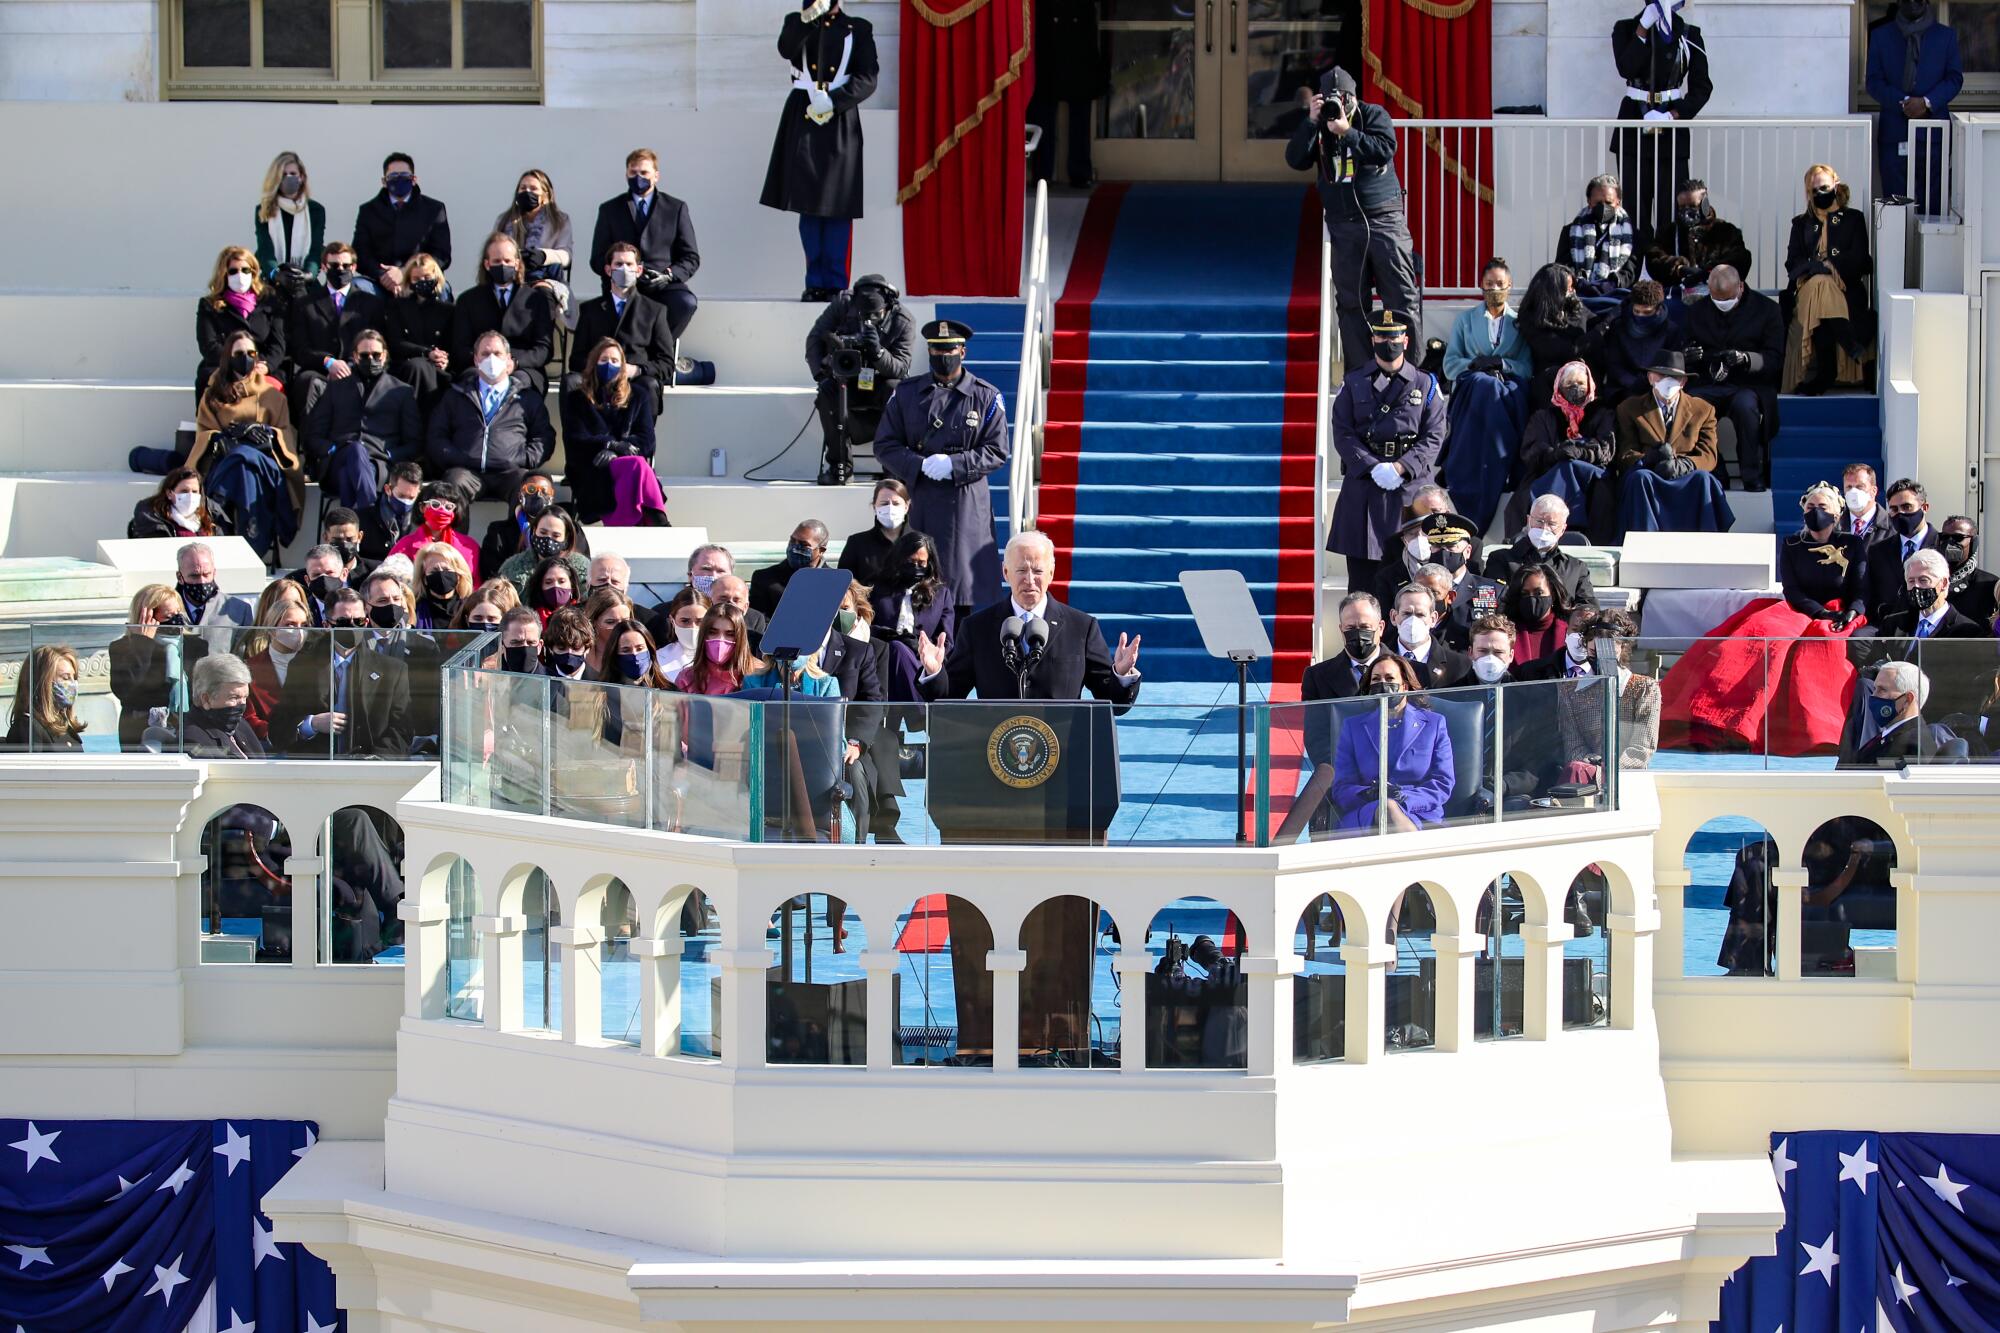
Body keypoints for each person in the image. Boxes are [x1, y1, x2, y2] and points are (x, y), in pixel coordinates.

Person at [1655, 483, 1867, 756]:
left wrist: (1854, 610)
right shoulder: (1792, 544)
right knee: (1759, 634)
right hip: (1800, 608)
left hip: (1841, 611)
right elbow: (1791, 589)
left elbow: (1861, 587)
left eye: (1822, 508)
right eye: (1811, 507)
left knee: (1823, 644)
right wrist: (1818, 612)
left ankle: (1818, 731)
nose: (1816, 513)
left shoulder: (1853, 544)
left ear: (1836, 514)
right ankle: (1719, 720)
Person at [1285, 66, 1421, 373]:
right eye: (1331, 99)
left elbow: (1385, 150)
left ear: (1354, 97)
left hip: (1384, 219)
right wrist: (1311, 122)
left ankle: (1411, 375)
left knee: (1401, 298)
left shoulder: (1373, 116)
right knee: (1351, 305)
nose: (1338, 105)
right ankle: (1361, 378)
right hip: (1344, 224)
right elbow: (1295, 159)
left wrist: (1347, 131)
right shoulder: (1317, 125)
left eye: (1343, 98)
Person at [874, 319, 1010, 617]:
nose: (942, 356)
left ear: (963, 351)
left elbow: (997, 450)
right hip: (921, 499)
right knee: (917, 580)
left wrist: (955, 464)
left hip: (965, 503)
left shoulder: (985, 396)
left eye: (949, 349)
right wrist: (917, 464)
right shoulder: (907, 394)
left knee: (961, 591)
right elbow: (884, 444)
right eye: (936, 351)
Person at [914, 530, 1141, 705]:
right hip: (996, 750)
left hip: (1063, 750)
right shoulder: (977, 628)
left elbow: (1113, 700)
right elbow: (948, 696)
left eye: (1038, 571)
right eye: (1021, 570)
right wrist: (934, 673)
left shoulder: (1081, 627)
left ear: (1051, 573)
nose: (1030, 580)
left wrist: (1121, 675)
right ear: (1006, 573)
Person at [763, 0, 880, 301]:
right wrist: (808, 20)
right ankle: (815, 281)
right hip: (803, 116)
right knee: (808, 204)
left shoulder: (858, 28)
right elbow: (786, 48)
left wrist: (836, 100)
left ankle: (837, 284)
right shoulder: (796, 22)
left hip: (839, 117)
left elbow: (867, 77)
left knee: (838, 205)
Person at [1326, 310, 1446, 597]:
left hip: (1410, 489)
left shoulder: (1425, 384)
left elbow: (1435, 435)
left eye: (1393, 337)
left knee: (1414, 583)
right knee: (1363, 584)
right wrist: (1371, 466)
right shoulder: (1354, 382)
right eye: (1382, 336)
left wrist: (1402, 467)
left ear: (1405, 340)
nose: (1388, 342)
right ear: (1373, 339)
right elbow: (1342, 431)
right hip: (1365, 486)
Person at [1610, 1, 1712, 250]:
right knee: (1635, 208)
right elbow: (1626, 68)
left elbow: (1702, 87)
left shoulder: (1688, 34)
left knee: (1671, 206)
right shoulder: (1626, 29)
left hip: (1671, 129)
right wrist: (1643, 29)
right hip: (1635, 123)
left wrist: (1674, 116)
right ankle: (1637, 272)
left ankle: (1668, 268)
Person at [1441, 258, 1532, 535]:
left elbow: (1528, 367)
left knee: (1494, 387)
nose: (1495, 289)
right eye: (1489, 284)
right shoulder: (1465, 321)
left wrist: (1503, 364)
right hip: (1474, 391)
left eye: (1500, 284)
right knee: (1482, 384)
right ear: (1482, 285)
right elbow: (1449, 364)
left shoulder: (1521, 324)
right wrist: (1474, 364)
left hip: (1506, 392)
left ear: (1510, 286)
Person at [269, 586, 411, 758]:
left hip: (372, 774)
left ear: (366, 622)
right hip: (318, 769)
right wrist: (311, 724)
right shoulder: (302, 666)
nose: (352, 627)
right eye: (343, 622)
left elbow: (402, 729)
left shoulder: (392, 670)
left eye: (358, 621)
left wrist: (376, 760)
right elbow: (279, 726)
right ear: (327, 625)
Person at [807, 274, 917, 485]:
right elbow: (815, 337)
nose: (868, 320)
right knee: (827, 392)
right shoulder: (842, 304)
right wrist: (822, 371)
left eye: (875, 315)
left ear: (888, 305)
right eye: (863, 314)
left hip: (882, 380)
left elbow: (901, 368)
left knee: (897, 390)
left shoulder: (903, 321)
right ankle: (841, 467)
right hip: (847, 377)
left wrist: (877, 353)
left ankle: (893, 470)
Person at [1682, 265, 1785, 491]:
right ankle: (1715, 472)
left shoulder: (1766, 310)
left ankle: (1751, 474)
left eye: (1727, 299)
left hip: (1748, 384)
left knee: (1745, 407)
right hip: (1709, 382)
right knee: (1691, 405)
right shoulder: (1697, 311)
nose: (1722, 304)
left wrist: (1746, 358)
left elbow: (1774, 358)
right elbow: (1684, 347)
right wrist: (1689, 355)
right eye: (1717, 299)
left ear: (1740, 287)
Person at [185, 329, 303, 517]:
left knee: (243, 457)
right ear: (228, 358)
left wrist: (264, 431)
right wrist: (227, 436)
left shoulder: (273, 396)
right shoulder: (212, 395)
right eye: (239, 354)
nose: (246, 358)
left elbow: (286, 434)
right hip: (224, 462)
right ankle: (252, 527)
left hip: (264, 465)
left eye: (251, 354)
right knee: (240, 461)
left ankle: (220, 513)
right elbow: (204, 433)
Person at [1332, 654, 1454, 833]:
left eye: (1389, 678)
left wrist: (1404, 798)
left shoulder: (1434, 724)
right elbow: (1342, 787)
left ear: (1405, 684)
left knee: (1390, 807)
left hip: (1419, 811)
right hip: (1367, 811)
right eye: (1376, 679)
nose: (1382, 683)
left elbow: (1443, 782)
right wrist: (1367, 794)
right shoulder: (1353, 726)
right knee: (1386, 807)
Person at [1610, 351, 1727, 537]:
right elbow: (1625, 453)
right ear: (1650, 378)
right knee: (1639, 478)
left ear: (1683, 382)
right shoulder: (1629, 408)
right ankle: (1644, 540)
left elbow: (1708, 455)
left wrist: (1683, 465)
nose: (1668, 381)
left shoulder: (1703, 410)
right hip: (1650, 473)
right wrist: (1651, 459)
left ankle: (1706, 543)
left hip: (1684, 475)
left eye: (1674, 377)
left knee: (1704, 479)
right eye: (1662, 375)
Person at [589, 149, 700, 343]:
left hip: (662, 284)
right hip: (623, 286)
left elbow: (691, 257)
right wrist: (621, 272)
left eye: (644, 173)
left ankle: (658, 350)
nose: (638, 177)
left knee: (685, 303)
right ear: (626, 174)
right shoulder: (609, 209)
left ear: (656, 176)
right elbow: (597, 258)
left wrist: (668, 275)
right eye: (633, 173)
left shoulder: (676, 208)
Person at [427, 332, 555, 500]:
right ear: (476, 360)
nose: (491, 359)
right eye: (485, 354)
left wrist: (523, 459)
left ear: (508, 359)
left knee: (532, 488)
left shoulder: (527, 398)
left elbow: (543, 436)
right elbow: (436, 435)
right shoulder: (456, 395)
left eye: (497, 354)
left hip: (511, 473)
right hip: (466, 473)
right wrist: (456, 458)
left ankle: (518, 528)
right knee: (451, 486)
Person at [303, 328, 421, 508]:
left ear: (385, 355)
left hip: (380, 465)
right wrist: (331, 449)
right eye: (365, 355)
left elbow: (414, 442)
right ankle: (370, 515)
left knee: (347, 476)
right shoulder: (335, 388)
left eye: (376, 355)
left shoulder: (402, 391)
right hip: (339, 458)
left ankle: (355, 525)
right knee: (355, 450)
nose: (371, 360)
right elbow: (315, 435)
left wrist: (390, 455)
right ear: (355, 357)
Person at [1781, 165, 1872, 396]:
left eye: (1824, 188)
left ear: (1836, 184)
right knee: (1821, 282)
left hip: (1845, 288)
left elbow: (1860, 258)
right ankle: (1848, 339)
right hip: (1807, 288)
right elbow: (1793, 262)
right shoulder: (1800, 223)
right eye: (1814, 190)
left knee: (1825, 288)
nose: (1820, 194)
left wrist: (1833, 266)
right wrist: (1820, 268)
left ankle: (1827, 371)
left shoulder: (1853, 219)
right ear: (1808, 193)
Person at [1866, 0, 1963, 207]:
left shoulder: (1945, 36)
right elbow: (1873, 81)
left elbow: (1954, 78)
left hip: (1934, 134)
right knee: (1895, 205)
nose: (1913, 2)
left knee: (1933, 205)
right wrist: (1904, 102)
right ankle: (1897, 241)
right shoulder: (1881, 35)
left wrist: (1927, 102)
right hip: (1894, 133)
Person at [1507, 361, 1617, 534]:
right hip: (1549, 472)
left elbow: (1606, 449)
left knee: (1603, 494)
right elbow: (1531, 450)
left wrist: (1580, 451)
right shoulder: (1544, 416)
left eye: (1581, 384)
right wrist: (1554, 453)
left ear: (1590, 385)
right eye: (1569, 384)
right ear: (1559, 387)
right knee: (1522, 497)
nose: (1576, 388)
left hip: (1590, 476)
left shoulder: (1603, 413)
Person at [561, 337, 659, 524]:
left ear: (623, 365)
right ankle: (657, 519)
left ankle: (626, 524)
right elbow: (575, 439)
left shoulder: (638, 395)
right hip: (593, 466)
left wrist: (616, 450)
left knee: (636, 464)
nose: (609, 365)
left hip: (627, 463)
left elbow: (647, 441)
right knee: (638, 466)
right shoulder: (577, 398)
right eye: (604, 360)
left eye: (615, 361)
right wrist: (608, 444)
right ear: (593, 363)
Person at [1553, 609, 1660, 777]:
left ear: (1623, 646)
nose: (1600, 658)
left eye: (1608, 652)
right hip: (1586, 777)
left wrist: (1608, 768)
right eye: (1594, 652)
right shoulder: (1569, 690)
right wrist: (1591, 766)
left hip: (1628, 778)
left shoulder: (1645, 688)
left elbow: (1642, 749)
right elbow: (1573, 744)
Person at [284, 241, 384, 418]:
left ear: (354, 267)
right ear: (323, 267)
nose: (340, 269)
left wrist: (352, 365)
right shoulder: (305, 304)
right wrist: (328, 362)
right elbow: (299, 348)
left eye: (346, 265)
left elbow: (379, 343)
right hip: (319, 370)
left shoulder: (370, 303)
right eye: (334, 265)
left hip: (359, 367)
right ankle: (311, 442)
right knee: (307, 382)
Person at [570, 243, 679, 404]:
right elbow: (575, 359)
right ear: (608, 270)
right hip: (597, 379)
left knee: (649, 385)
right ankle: (577, 430)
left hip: (634, 379)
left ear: (639, 270)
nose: (624, 269)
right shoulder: (589, 310)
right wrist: (600, 368)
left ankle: (641, 430)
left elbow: (666, 363)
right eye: (619, 264)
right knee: (571, 382)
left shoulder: (655, 311)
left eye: (629, 264)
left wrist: (636, 370)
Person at [451, 233, 557, 396]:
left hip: (522, 369)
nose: (502, 265)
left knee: (519, 386)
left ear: (516, 263)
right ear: (487, 264)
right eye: (497, 261)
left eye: (507, 261)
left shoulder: (536, 300)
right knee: (470, 385)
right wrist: (488, 363)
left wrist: (514, 363)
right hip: (478, 368)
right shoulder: (468, 300)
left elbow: (544, 349)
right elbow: (459, 347)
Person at [108, 585, 207, 749]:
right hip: (141, 731)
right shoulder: (124, 647)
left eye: (178, 613)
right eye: (168, 616)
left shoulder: (195, 646)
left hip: (186, 728)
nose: (176, 620)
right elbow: (124, 690)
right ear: (145, 617)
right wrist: (143, 642)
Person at [1027, 0, 1105, 189]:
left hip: (1078, 35)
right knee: (1044, 107)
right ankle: (1042, 173)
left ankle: (1079, 172)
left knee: (1079, 107)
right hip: (1047, 35)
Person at [869, 529, 954, 700]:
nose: (915, 567)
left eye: (921, 563)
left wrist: (921, 647)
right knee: (897, 648)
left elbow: (946, 641)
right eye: (910, 561)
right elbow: (864, 626)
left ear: (929, 564)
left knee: (901, 651)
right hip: (882, 656)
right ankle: (918, 714)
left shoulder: (941, 594)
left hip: (921, 660)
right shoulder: (876, 588)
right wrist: (889, 635)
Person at [352, 153, 451, 297]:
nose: (399, 180)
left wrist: (405, 272)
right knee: (357, 287)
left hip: (421, 279)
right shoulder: (368, 211)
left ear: (414, 179)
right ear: (384, 181)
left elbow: (442, 254)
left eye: (404, 175)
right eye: (393, 176)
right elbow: (360, 253)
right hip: (381, 282)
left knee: (442, 290)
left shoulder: (434, 209)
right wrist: (384, 276)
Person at [194, 247, 287, 396]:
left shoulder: (269, 300)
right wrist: (236, 365)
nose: (240, 275)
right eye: (233, 271)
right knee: (208, 379)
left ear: (254, 272)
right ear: (223, 274)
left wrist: (264, 365)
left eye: (245, 270)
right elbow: (208, 345)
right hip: (224, 368)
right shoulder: (209, 305)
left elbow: (278, 345)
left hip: (262, 367)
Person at [1487, 493, 1601, 611]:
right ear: (1529, 520)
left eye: (1551, 524)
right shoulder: (1501, 559)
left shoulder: (1575, 568)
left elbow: (1588, 606)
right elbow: (1495, 601)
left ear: (1563, 529)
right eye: (1539, 521)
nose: (1544, 528)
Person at [1641, 179, 1754, 294]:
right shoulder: (1668, 232)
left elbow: (1740, 260)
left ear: (1705, 204)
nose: (1686, 211)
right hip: (1679, 297)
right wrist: (1680, 269)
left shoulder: (1726, 231)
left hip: (1716, 297)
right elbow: (1653, 259)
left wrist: (1708, 272)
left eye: (1692, 206)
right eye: (1682, 207)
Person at [492, 169, 574, 317]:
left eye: (533, 188)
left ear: (545, 195)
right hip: (510, 275)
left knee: (542, 294)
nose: (527, 192)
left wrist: (543, 255)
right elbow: (492, 249)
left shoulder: (560, 220)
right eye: (523, 188)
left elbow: (566, 256)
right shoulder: (504, 220)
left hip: (543, 276)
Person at [1516, 263, 1598, 407]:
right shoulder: (1530, 318)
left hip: (1581, 378)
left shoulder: (1574, 307)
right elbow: (1566, 350)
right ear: (1554, 291)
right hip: (1548, 385)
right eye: (1568, 288)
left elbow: (1592, 321)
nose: (1572, 291)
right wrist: (1600, 331)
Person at [382, 252, 455, 414]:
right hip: (408, 369)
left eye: (427, 277)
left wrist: (445, 360)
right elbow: (396, 342)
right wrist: (426, 353)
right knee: (419, 366)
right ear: (409, 281)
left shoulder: (448, 310)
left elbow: (453, 343)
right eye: (416, 279)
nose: (422, 282)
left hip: (439, 369)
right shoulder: (397, 307)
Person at [1592, 279, 1685, 403]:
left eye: (1647, 312)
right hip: (1622, 390)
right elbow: (1613, 363)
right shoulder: (1619, 326)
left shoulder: (1670, 330)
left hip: (1658, 389)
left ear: (1658, 309)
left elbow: (1670, 366)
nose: (1640, 316)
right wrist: (1632, 383)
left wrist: (1652, 383)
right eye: (1636, 311)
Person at [1557, 175, 1639, 310]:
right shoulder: (1570, 231)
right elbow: (1563, 265)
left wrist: (1611, 284)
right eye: (1598, 203)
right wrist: (1579, 282)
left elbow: (1631, 270)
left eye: (1608, 203)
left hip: (1617, 299)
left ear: (1618, 202)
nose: (1603, 208)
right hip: (1579, 297)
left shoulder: (1632, 235)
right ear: (1589, 201)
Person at [1873, 548, 1987, 642]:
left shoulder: (1968, 632)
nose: (1916, 586)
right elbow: (1874, 664)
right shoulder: (1892, 624)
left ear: (1944, 583)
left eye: (1923, 580)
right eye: (1911, 581)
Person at [1865, 477, 1943, 616]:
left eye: (1907, 507)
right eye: (1894, 509)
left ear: (1924, 508)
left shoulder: (1943, 546)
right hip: (1888, 626)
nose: (1900, 513)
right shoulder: (1877, 551)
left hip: (1930, 623)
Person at [1840, 660, 1936, 767]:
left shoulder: (1914, 746)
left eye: (1882, 690)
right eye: (1874, 689)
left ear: (1907, 699)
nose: (1873, 696)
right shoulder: (1890, 735)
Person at [243, 596, 312, 742]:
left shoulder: (317, 665)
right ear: (272, 628)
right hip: (268, 748)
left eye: (304, 625)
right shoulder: (249, 669)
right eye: (290, 625)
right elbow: (248, 717)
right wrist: (280, 733)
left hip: (312, 746)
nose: (299, 632)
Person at [1300, 591, 1386, 707]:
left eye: (1365, 627)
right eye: (1350, 628)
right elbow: (1315, 723)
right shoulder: (1316, 676)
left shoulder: (1407, 669)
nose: (1358, 633)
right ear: (1341, 630)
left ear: (1380, 628)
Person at [254, 151, 325, 282]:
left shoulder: (316, 210)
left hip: (304, 277)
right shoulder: (264, 209)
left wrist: (309, 274)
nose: (288, 178)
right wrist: (276, 274)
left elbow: (316, 248)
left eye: (293, 174)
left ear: (302, 177)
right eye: (283, 175)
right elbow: (265, 248)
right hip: (273, 279)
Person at [180, 653, 266, 758]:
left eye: (245, 697)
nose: (242, 704)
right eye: (234, 698)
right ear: (206, 699)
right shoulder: (193, 740)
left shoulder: (241, 725)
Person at [4, 644, 86, 752]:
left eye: (74, 677)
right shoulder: (29, 728)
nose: (72, 684)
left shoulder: (64, 725)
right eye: (65, 678)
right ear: (42, 683)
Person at [1389, 583, 1470, 689]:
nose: (1413, 621)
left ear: (1433, 619)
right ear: (1394, 617)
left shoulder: (1460, 665)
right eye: (1407, 614)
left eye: (1420, 615)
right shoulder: (1377, 660)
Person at [389, 480, 480, 572]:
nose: (442, 510)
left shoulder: (470, 547)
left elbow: (475, 584)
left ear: (454, 512)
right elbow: (388, 579)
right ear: (422, 507)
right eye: (435, 504)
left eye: (448, 507)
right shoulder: (404, 546)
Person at [499, 505, 590, 595]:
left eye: (556, 535)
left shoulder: (584, 571)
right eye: (543, 532)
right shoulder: (512, 569)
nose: (548, 539)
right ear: (534, 531)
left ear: (566, 538)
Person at [676, 603, 761, 695]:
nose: (720, 639)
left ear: (740, 638)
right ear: (703, 635)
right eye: (712, 632)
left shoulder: (760, 673)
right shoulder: (687, 678)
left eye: (730, 634)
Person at [839, 478, 911, 585]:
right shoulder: (856, 543)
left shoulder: (923, 542)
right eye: (884, 503)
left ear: (906, 506)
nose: (890, 508)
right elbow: (844, 584)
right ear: (874, 507)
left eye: (896, 503)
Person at [751, 520, 830, 618]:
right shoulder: (765, 578)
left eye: (803, 544)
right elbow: (759, 622)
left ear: (821, 550)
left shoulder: (836, 582)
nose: (794, 548)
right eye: (792, 540)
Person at [129, 467, 230, 541]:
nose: (190, 496)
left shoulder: (210, 515)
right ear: (169, 493)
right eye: (184, 491)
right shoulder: (153, 518)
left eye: (194, 492)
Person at [173, 540, 253, 631]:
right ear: (180, 577)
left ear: (214, 573)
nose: (202, 581)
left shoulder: (240, 610)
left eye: (206, 574)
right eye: (194, 576)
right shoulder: (162, 610)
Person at [1502, 566, 1570, 667]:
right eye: (1525, 594)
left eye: (1539, 593)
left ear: (1553, 595)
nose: (1532, 599)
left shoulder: (1569, 631)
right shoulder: (1504, 633)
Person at [1939, 515, 1997, 625]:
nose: (1949, 543)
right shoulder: (1927, 582)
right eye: (1944, 537)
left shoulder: (1990, 585)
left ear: (1973, 542)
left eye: (1958, 538)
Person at [362, 461, 424, 563]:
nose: (406, 502)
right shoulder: (365, 517)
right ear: (388, 489)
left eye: (411, 498)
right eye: (401, 496)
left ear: (418, 493)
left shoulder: (423, 521)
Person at [651, 586, 709, 681]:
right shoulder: (657, 659)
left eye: (700, 621)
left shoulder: (723, 655)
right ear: (672, 621)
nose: (693, 627)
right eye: (685, 621)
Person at [413, 542, 473, 631]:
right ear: (424, 578)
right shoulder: (415, 610)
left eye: (447, 569)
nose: (441, 574)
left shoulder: (470, 608)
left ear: (458, 574)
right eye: (434, 571)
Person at [525, 557, 581, 627]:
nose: (555, 586)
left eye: (561, 581)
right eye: (548, 582)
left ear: (572, 584)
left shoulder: (584, 614)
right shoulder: (529, 621)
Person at [453, 579, 518, 634]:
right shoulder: (455, 647)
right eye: (478, 618)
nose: (485, 623)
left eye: (491, 619)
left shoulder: (511, 647)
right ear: (467, 619)